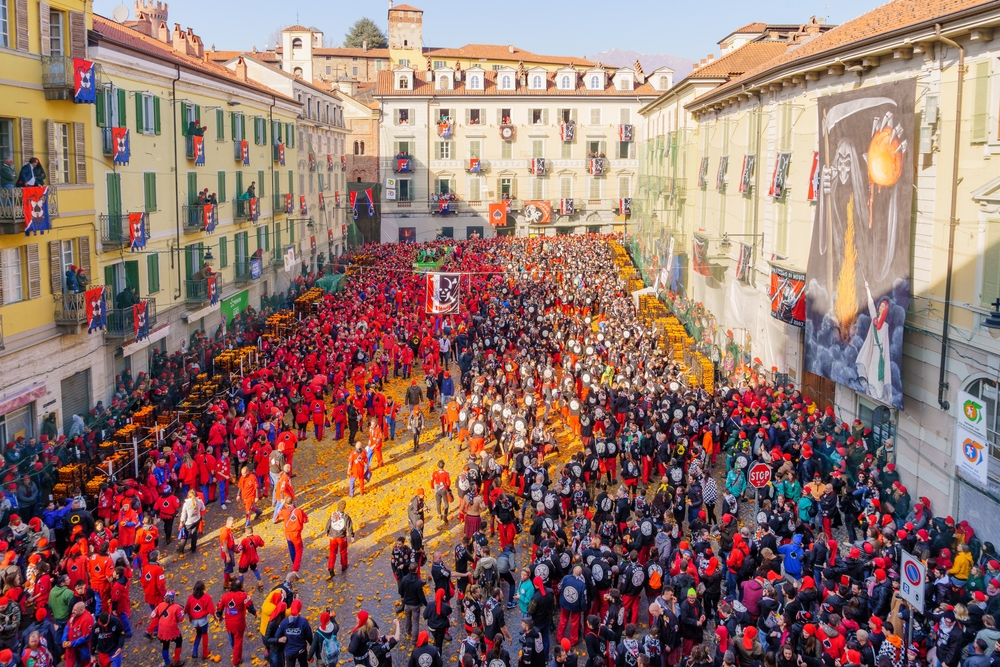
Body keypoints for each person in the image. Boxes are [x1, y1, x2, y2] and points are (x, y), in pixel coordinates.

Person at [216, 580, 256, 667]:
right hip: (239, 624)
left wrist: (219, 616)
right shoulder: (243, 595)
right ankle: (236, 660)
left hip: (229, 623)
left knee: (232, 639)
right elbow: (250, 606)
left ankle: (235, 652)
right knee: (238, 641)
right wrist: (254, 613)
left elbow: (219, 607)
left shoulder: (225, 596)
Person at [148, 590, 185, 667]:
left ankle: (167, 662)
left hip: (162, 630)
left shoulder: (160, 605)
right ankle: (177, 660)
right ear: (173, 598)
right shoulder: (177, 607)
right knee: (179, 641)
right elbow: (181, 619)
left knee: (165, 646)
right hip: (172, 630)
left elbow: (152, 615)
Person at [276, 599, 313, 667]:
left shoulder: (284, 622)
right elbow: (309, 637)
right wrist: (313, 647)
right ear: (300, 609)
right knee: (304, 665)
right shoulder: (303, 622)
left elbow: (277, 635)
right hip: (301, 651)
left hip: (289, 651)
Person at [326, 500, 355, 578]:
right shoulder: (346, 516)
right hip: (341, 537)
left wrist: (327, 531)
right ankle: (344, 566)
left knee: (332, 552)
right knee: (343, 552)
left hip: (332, 536)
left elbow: (329, 523)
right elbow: (349, 527)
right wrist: (352, 535)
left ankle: (331, 567)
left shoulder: (332, 514)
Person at [176, 490, 204, 554]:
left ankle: (181, 549)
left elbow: (183, 514)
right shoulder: (199, 501)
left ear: (188, 495)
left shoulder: (186, 503)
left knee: (184, 536)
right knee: (194, 533)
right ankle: (193, 548)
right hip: (197, 520)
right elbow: (203, 509)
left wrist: (181, 523)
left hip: (189, 522)